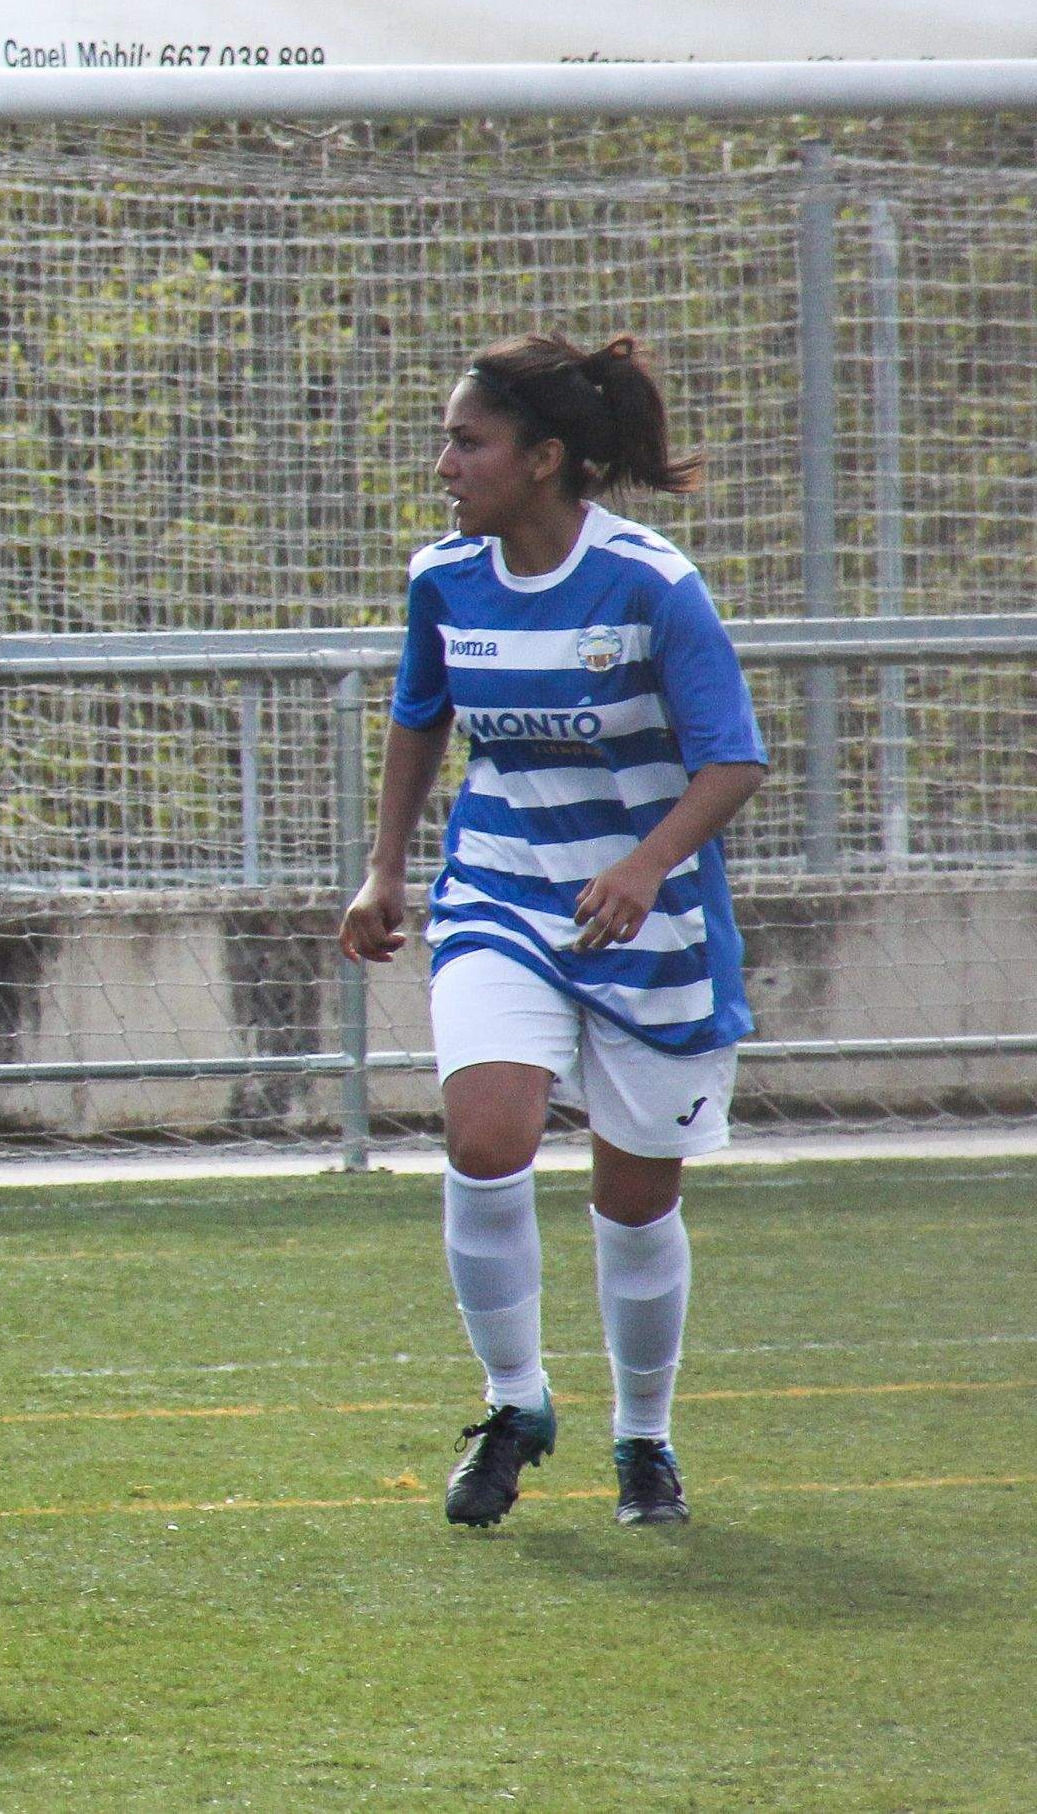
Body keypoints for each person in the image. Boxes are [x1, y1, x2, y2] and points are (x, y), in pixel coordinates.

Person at [339, 333, 766, 1530]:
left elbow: (731, 759)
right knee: (486, 1138)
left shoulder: (648, 583)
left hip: (651, 925)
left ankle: (643, 1439)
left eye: (465, 442)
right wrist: (384, 870)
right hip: (500, 896)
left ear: (543, 460)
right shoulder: (443, 578)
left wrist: (641, 865)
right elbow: (418, 719)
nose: (442, 465)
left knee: (635, 1205)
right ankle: (513, 1403)